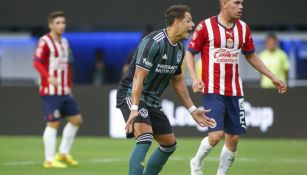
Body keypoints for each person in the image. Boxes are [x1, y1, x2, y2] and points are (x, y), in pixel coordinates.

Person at [185, 0, 287, 174]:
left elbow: (251, 56)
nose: (241, 7)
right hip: (213, 90)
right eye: (237, 2)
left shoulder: (243, 28)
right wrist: (194, 78)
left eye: (242, 3)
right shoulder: (206, 26)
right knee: (216, 136)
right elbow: (190, 53)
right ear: (224, 3)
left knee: (233, 138)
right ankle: (196, 162)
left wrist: (272, 76)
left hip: (235, 91)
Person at [116, 4, 215, 175]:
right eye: (188, 21)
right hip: (132, 93)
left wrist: (192, 110)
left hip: (152, 98)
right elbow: (138, 77)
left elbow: (177, 82)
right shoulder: (153, 43)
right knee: (145, 136)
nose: (192, 25)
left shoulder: (179, 50)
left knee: (169, 144)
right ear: (176, 22)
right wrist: (134, 108)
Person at [33, 11, 83, 168]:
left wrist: (68, 85)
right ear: (50, 25)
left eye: (63, 22)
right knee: (53, 123)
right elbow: (37, 62)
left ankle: (62, 153)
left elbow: (67, 66)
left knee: (76, 120)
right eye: (58, 23)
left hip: (64, 90)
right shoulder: (45, 41)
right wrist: (48, 77)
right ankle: (49, 159)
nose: (61, 25)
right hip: (50, 90)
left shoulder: (65, 42)